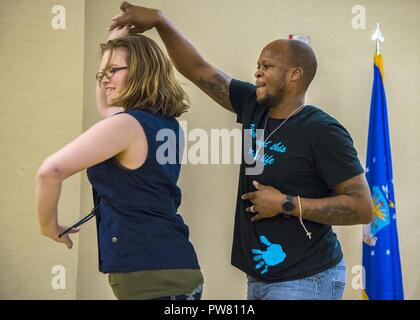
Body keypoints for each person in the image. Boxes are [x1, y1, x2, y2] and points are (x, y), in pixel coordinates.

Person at [109, 2, 374, 300]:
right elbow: (199, 71)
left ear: (294, 75)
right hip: (260, 276)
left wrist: (288, 203)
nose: (258, 72)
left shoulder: (323, 131)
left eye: (267, 66)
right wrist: (160, 21)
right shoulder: (254, 107)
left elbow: (362, 207)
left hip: (307, 276)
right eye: (258, 66)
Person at [36, 26, 203, 300]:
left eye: (113, 70)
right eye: (103, 73)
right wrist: (113, 45)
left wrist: (49, 227)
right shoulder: (163, 125)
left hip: (153, 276)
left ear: (141, 71)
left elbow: (49, 172)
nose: (104, 80)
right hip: (172, 266)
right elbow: (105, 107)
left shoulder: (125, 126)